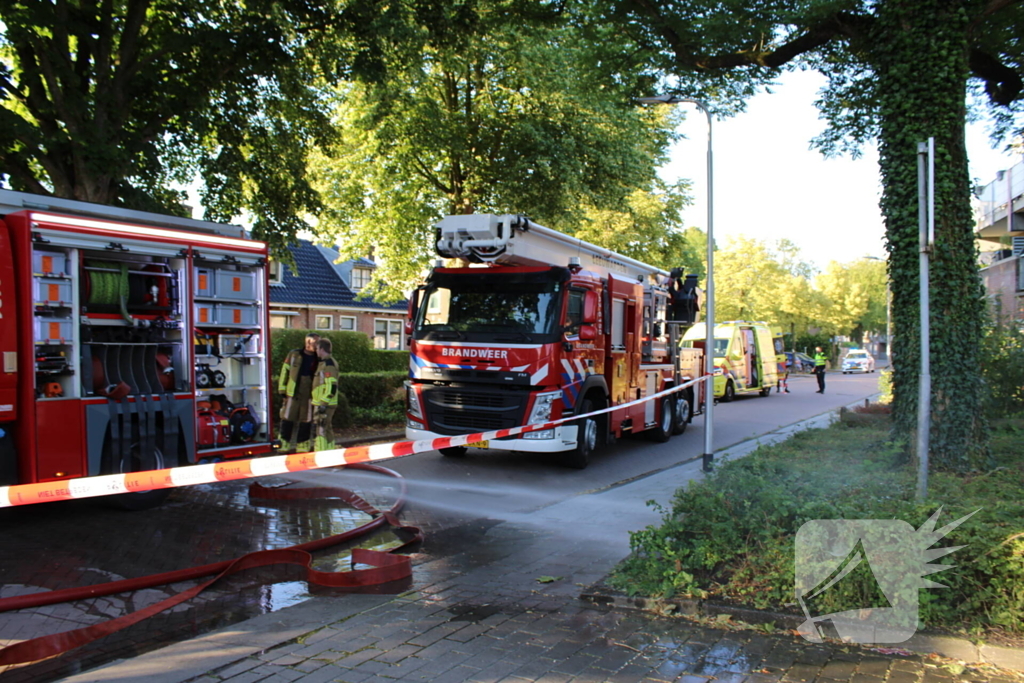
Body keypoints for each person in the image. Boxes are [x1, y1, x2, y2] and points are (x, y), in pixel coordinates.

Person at [277, 332, 320, 452]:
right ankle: (284, 443)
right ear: (308, 342)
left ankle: (302, 445)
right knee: (287, 417)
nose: (318, 345)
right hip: (292, 392)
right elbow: (284, 371)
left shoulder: (320, 358)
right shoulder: (294, 354)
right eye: (316, 342)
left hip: (310, 393)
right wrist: (282, 389)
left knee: (306, 418)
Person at [310, 338, 340, 451]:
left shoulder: (328, 364)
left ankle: (320, 454)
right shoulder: (324, 363)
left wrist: (323, 402)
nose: (316, 351)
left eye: (317, 348)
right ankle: (329, 451)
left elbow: (331, 386)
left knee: (320, 428)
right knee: (326, 428)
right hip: (323, 402)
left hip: (325, 403)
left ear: (322, 349)